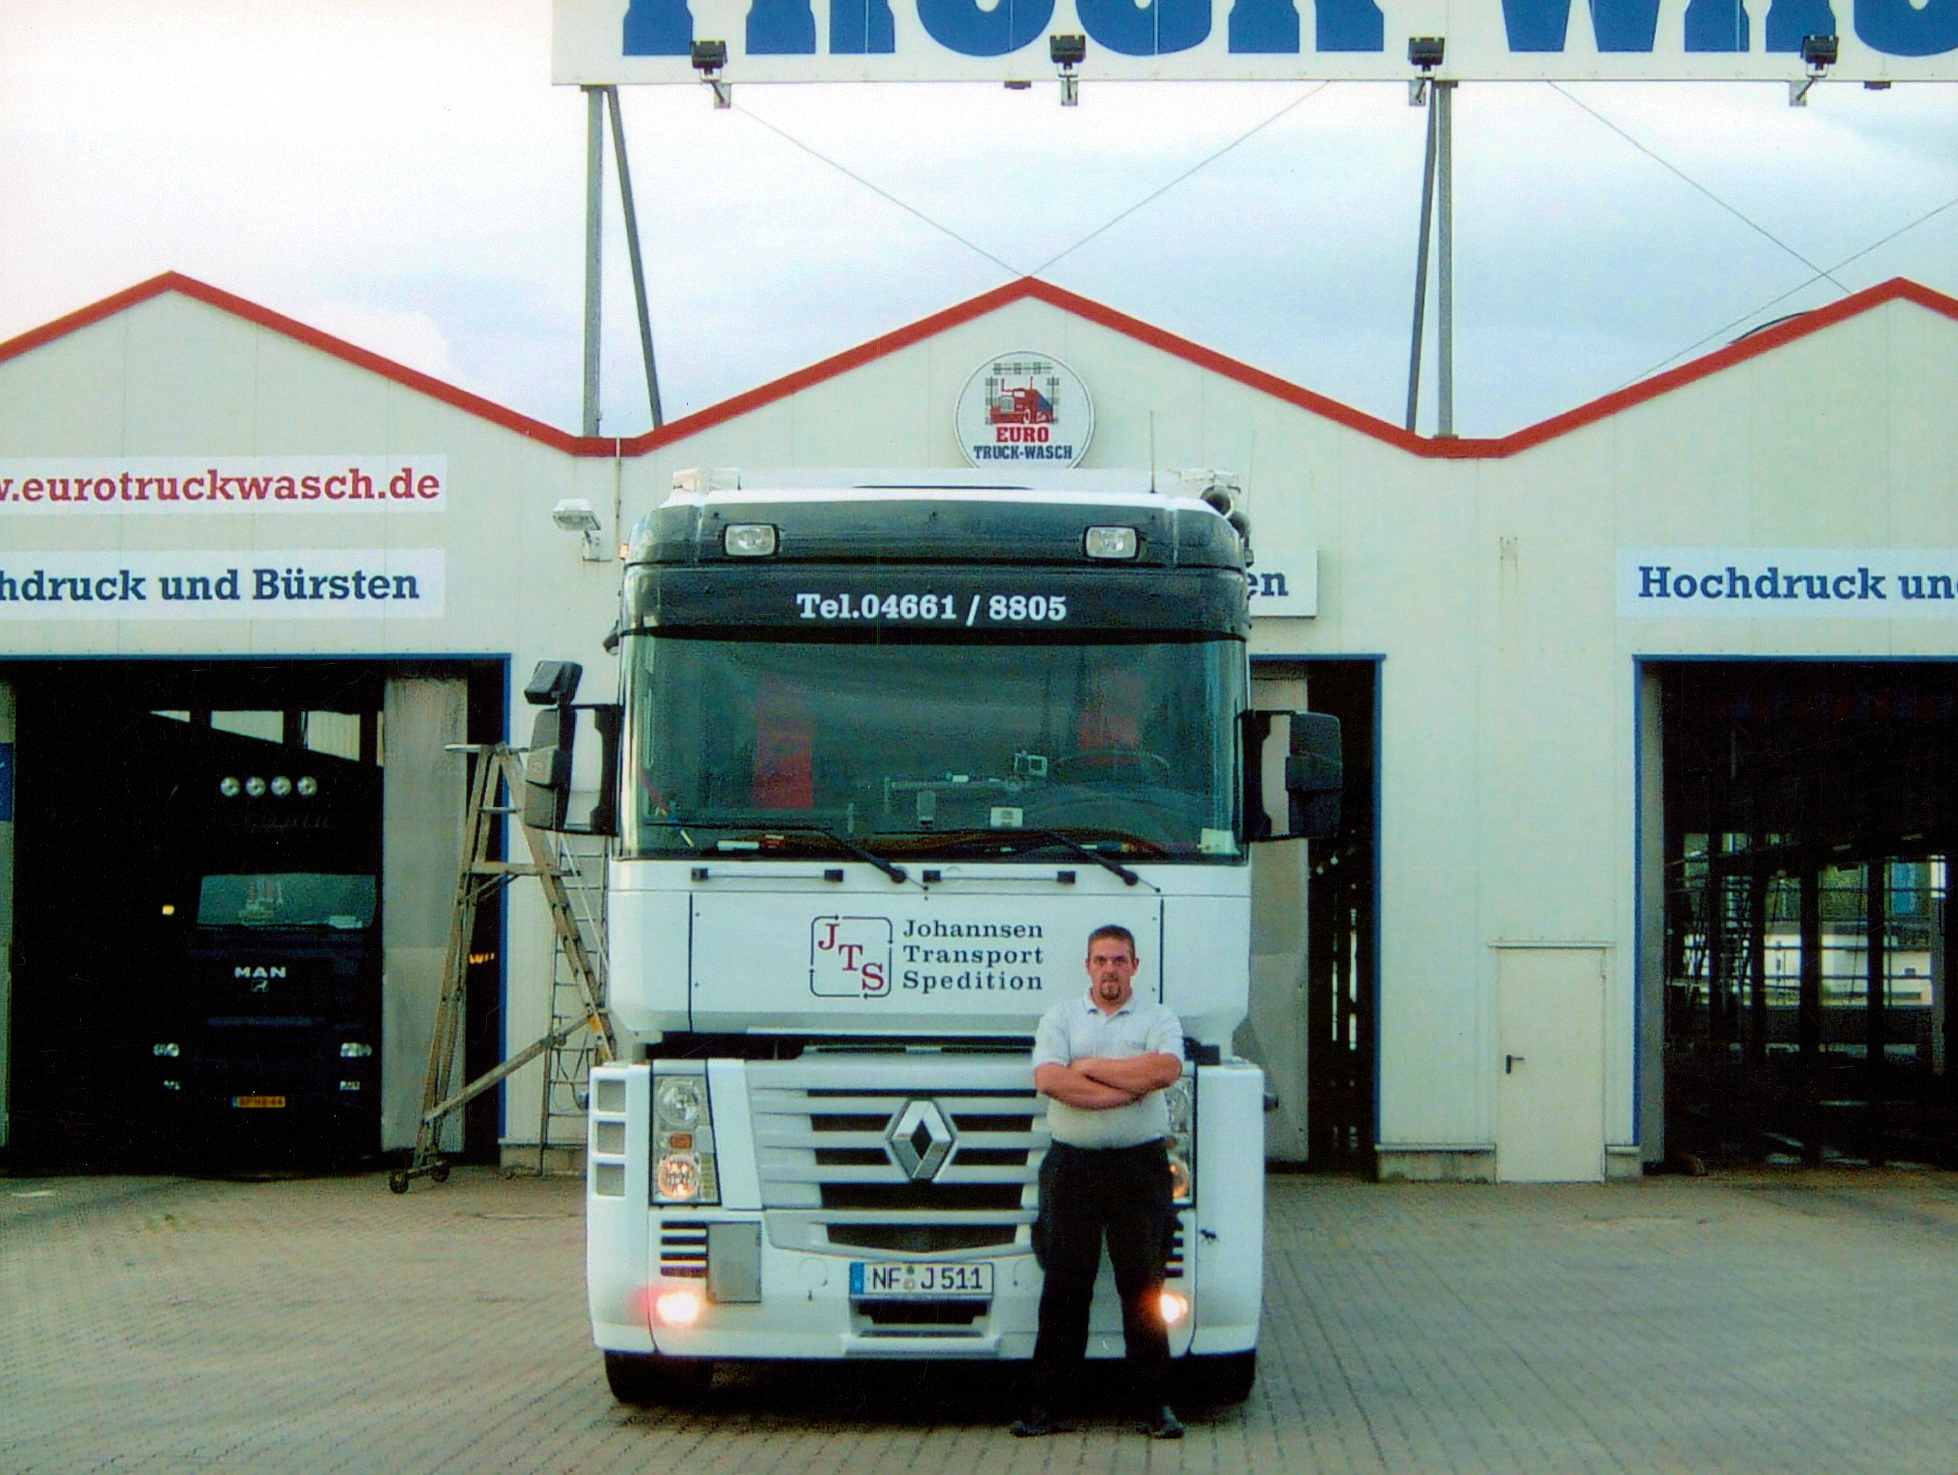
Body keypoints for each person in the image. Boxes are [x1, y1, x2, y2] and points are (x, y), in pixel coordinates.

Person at [1012, 924, 1186, 1440]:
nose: (1110, 969)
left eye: (1119, 960)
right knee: (1065, 1289)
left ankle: (1155, 1407)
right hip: (1073, 1169)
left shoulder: (1159, 1018)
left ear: (1135, 966)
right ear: (1087, 966)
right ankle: (1048, 1407)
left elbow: (1164, 1071)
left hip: (1140, 1169)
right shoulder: (1060, 1017)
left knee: (1144, 1288)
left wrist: (1087, 1068)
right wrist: (1125, 1088)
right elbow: (1049, 1079)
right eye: (1101, 960)